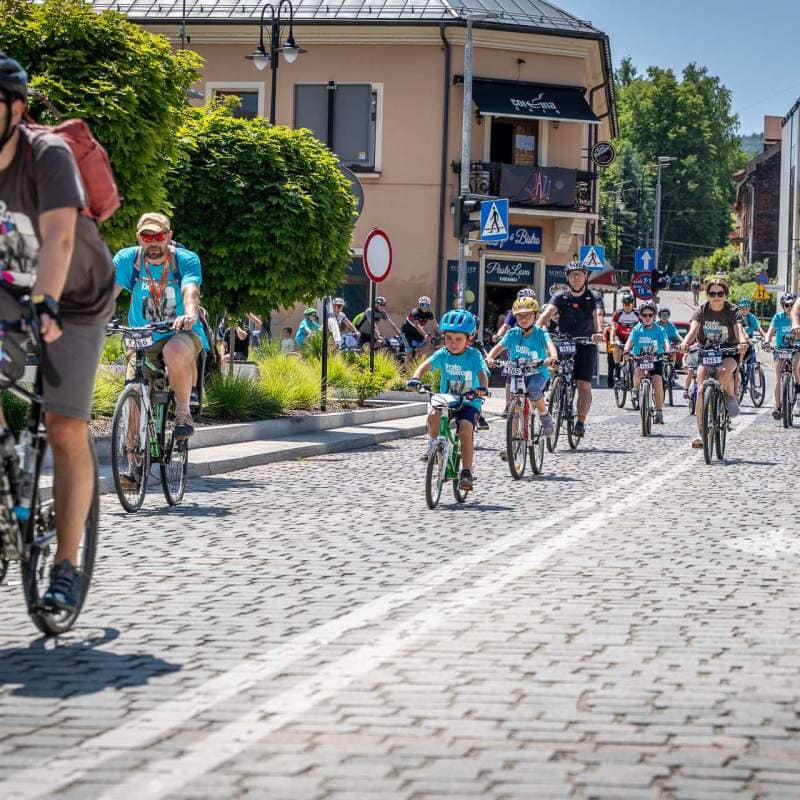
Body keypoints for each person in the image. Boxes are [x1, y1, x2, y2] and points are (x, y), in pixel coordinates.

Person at [0, 52, 115, 611]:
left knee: (64, 424)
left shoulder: (44, 156)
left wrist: (44, 302)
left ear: (14, 109)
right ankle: (7, 479)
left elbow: (61, 242)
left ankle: (66, 566)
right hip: (9, 285)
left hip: (73, 296)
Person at [114, 213, 209, 442]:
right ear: (139, 238)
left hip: (180, 331)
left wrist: (189, 313)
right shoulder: (127, 260)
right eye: (147, 237)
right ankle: (131, 461)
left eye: (158, 235)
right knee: (135, 393)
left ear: (169, 236)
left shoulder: (185, 260)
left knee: (173, 351)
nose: (153, 242)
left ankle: (183, 414)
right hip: (142, 336)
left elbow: (190, 290)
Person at [406, 309, 489, 491]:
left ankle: (466, 472)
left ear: (470, 339)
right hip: (447, 399)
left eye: (458, 339)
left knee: (466, 430)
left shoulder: (473, 355)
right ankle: (435, 446)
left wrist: (482, 388)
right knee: (433, 415)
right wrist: (416, 378)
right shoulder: (443, 353)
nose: (453, 343)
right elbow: (426, 365)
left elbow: (482, 374)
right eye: (449, 338)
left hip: (469, 401)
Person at [536, 262, 605, 438]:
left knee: (584, 384)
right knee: (551, 366)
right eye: (572, 275)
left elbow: (598, 314)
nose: (576, 278)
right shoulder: (561, 296)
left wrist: (598, 332)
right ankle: (553, 390)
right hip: (563, 341)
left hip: (586, 342)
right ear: (567, 277)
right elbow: (548, 313)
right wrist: (536, 329)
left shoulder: (594, 296)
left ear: (585, 277)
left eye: (579, 274)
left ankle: (580, 421)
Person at [679, 276, 748, 448]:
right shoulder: (701, 311)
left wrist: (742, 342)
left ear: (725, 294)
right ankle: (701, 434)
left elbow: (739, 329)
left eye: (720, 293)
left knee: (724, 372)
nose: (716, 296)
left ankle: (731, 397)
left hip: (729, 351)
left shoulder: (733, 311)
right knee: (701, 390)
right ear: (707, 294)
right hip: (707, 351)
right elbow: (693, 330)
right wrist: (685, 343)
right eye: (712, 293)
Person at [485, 296, 558, 454]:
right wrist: (490, 357)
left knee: (532, 391)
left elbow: (550, 345)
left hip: (538, 372)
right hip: (518, 373)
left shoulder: (540, 333)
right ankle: (511, 446)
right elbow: (499, 347)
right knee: (514, 408)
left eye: (527, 315)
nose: (523, 319)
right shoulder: (513, 333)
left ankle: (545, 416)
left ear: (536, 316)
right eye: (519, 316)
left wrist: (552, 357)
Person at [623, 301, 670, 425]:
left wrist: (667, 350)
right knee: (638, 372)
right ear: (641, 316)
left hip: (656, 359)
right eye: (645, 315)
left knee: (658, 382)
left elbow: (665, 341)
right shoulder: (637, 328)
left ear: (654, 316)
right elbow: (630, 340)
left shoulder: (659, 329)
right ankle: (635, 389)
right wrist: (626, 350)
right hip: (641, 358)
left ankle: (659, 412)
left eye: (650, 315)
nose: (647, 318)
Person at [765, 292, 800, 419]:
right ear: (783, 306)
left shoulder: (798, 316)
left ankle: (798, 390)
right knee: (778, 377)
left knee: (796, 367)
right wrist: (767, 341)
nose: (789, 307)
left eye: (791, 305)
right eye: (786, 305)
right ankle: (777, 406)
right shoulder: (778, 317)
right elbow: (770, 330)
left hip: (796, 348)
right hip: (780, 349)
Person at [402, 295, 440, 367]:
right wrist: (425, 335)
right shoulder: (415, 312)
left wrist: (444, 334)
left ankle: (415, 365)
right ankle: (407, 374)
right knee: (409, 354)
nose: (424, 307)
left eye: (427, 305)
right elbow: (417, 326)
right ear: (419, 305)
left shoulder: (429, 314)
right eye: (423, 304)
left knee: (425, 348)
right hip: (407, 334)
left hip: (417, 334)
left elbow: (436, 326)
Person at [609, 292, 640, 376]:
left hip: (633, 337)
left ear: (633, 304)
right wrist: (612, 340)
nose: (627, 306)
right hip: (620, 337)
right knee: (616, 346)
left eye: (629, 304)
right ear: (622, 304)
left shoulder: (638, 313)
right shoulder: (618, 313)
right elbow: (613, 328)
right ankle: (617, 367)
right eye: (625, 304)